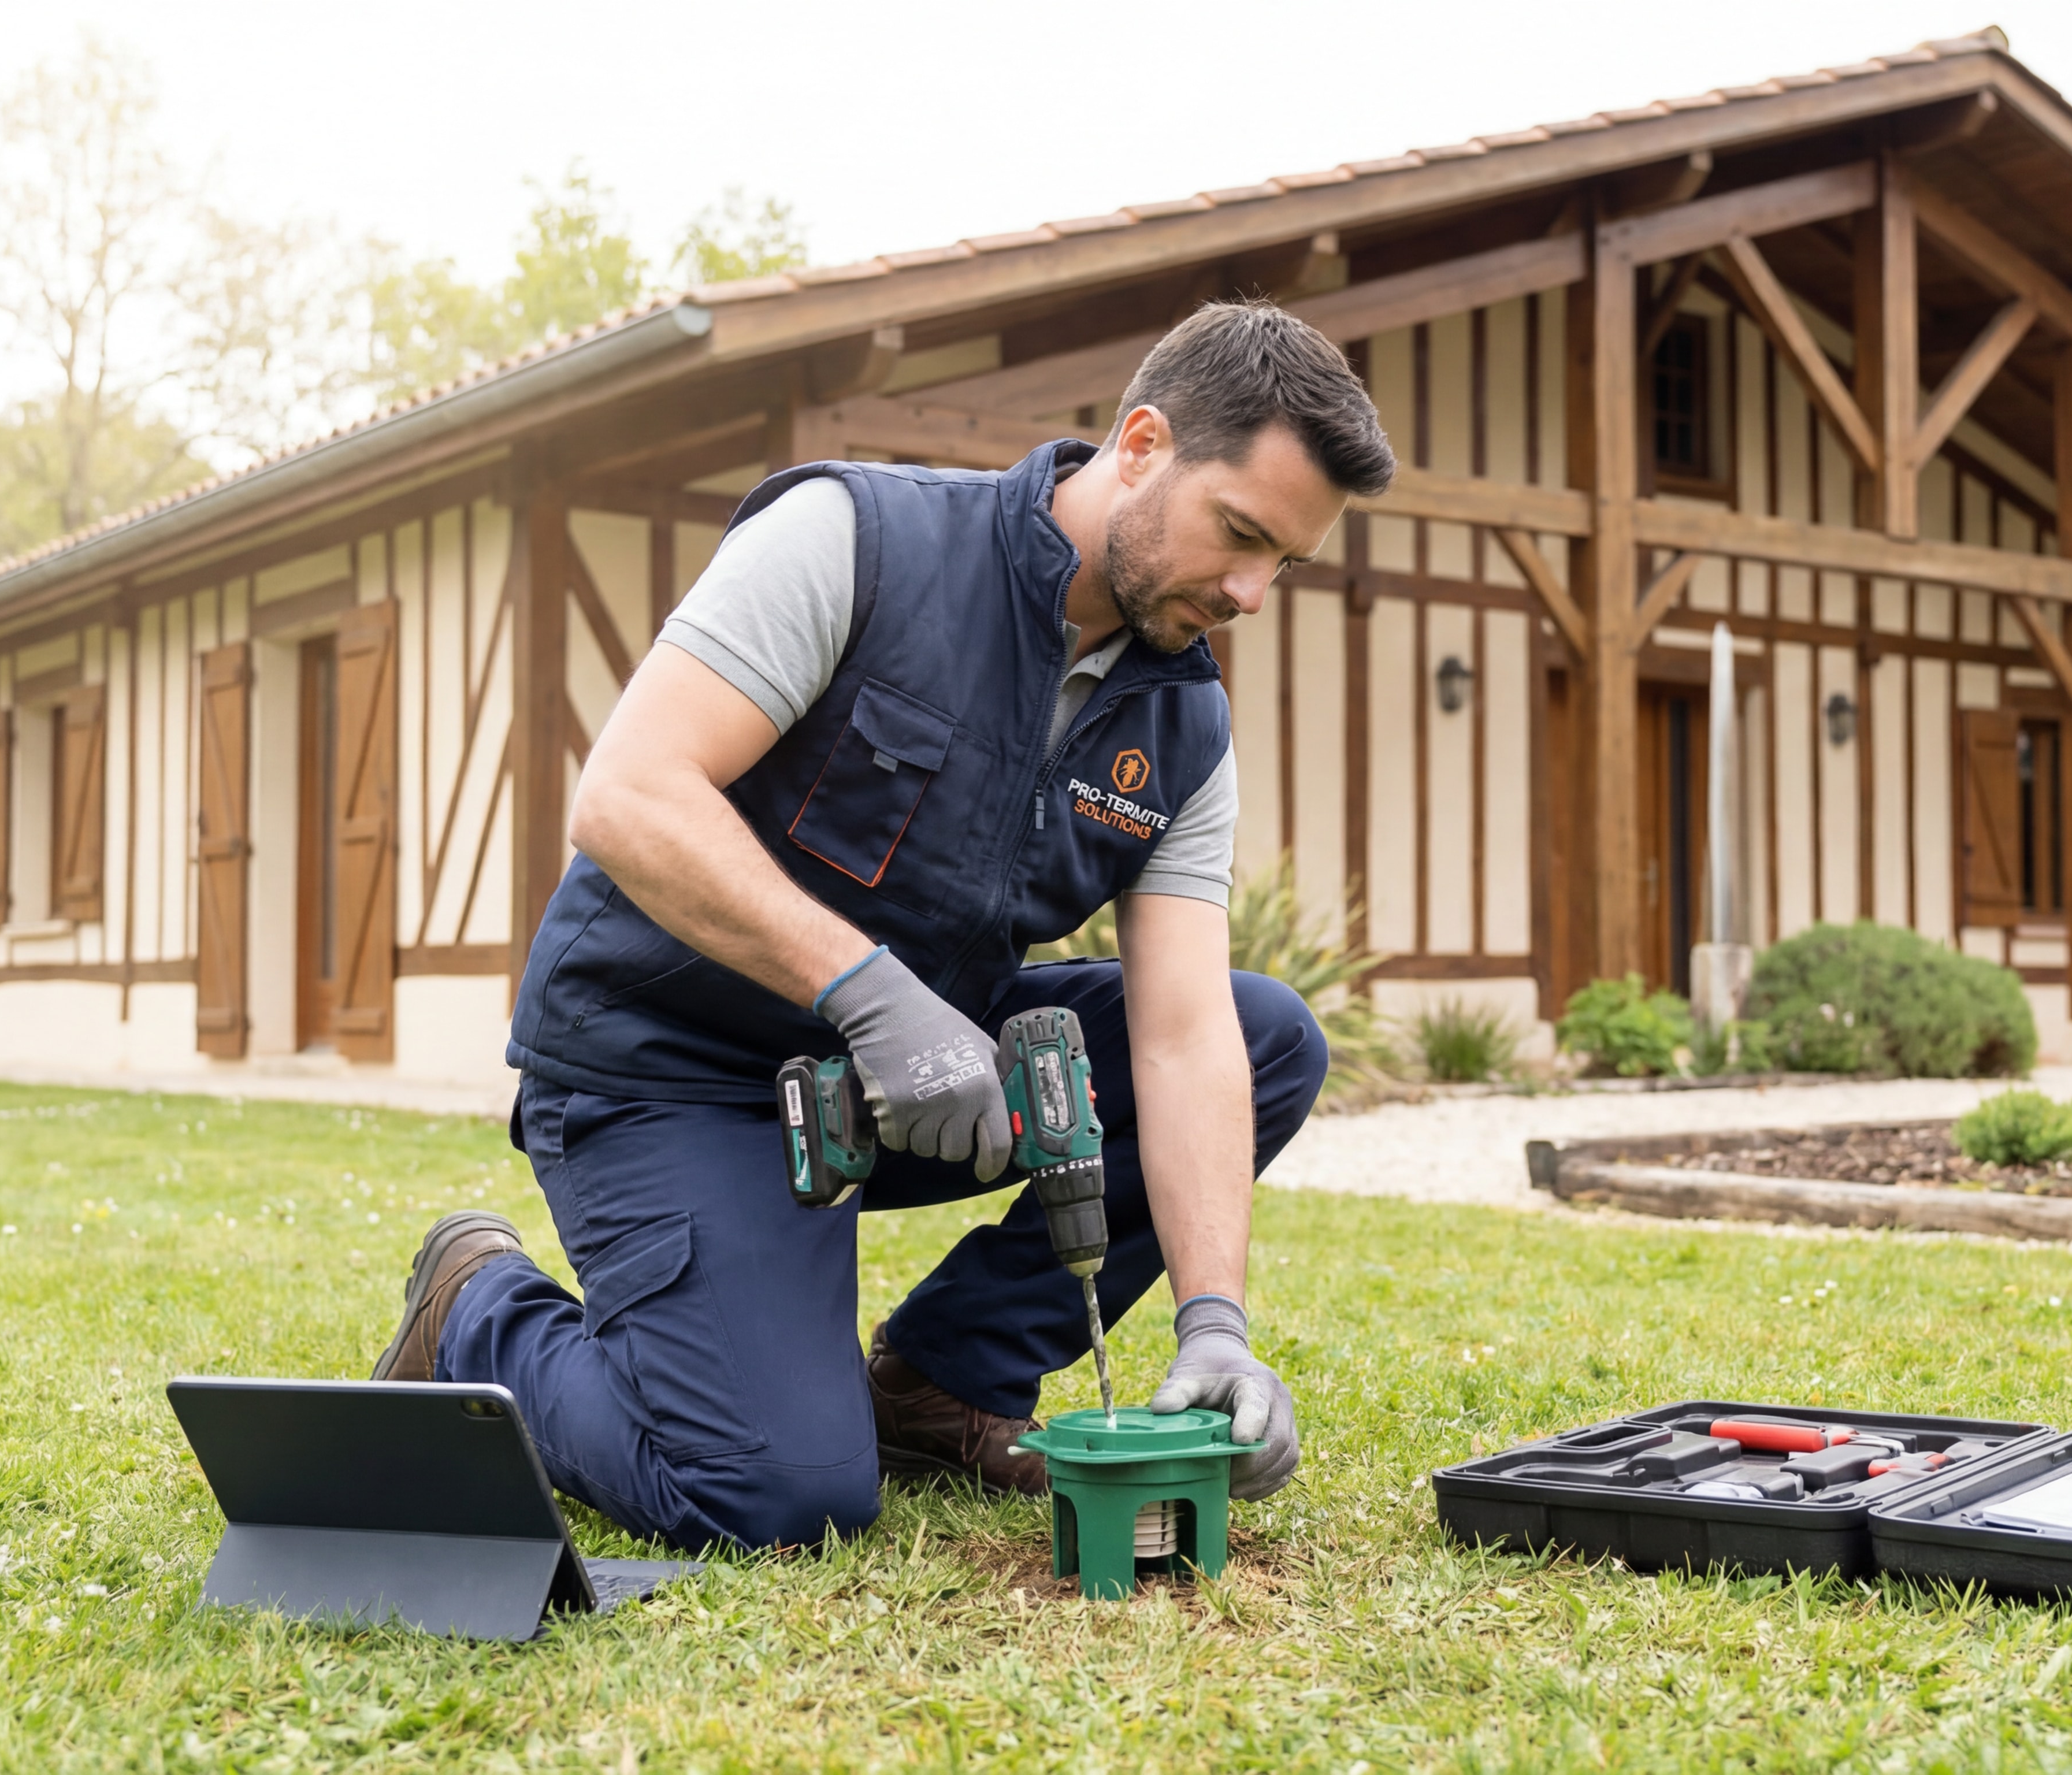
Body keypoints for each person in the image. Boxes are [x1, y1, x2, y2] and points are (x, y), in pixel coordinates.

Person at [369, 301, 1397, 1553]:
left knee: (1266, 1032)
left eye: (1280, 564)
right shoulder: (856, 540)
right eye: (1238, 534)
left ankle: (942, 1383)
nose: (1247, 591)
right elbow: (628, 798)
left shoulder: (1180, 725)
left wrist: (1214, 1323)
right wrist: (863, 987)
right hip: (666, 1067)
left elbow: (1182, 1040)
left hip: (906, 1086)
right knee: (775, 1498)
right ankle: (479, 1306)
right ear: (1139, 446)